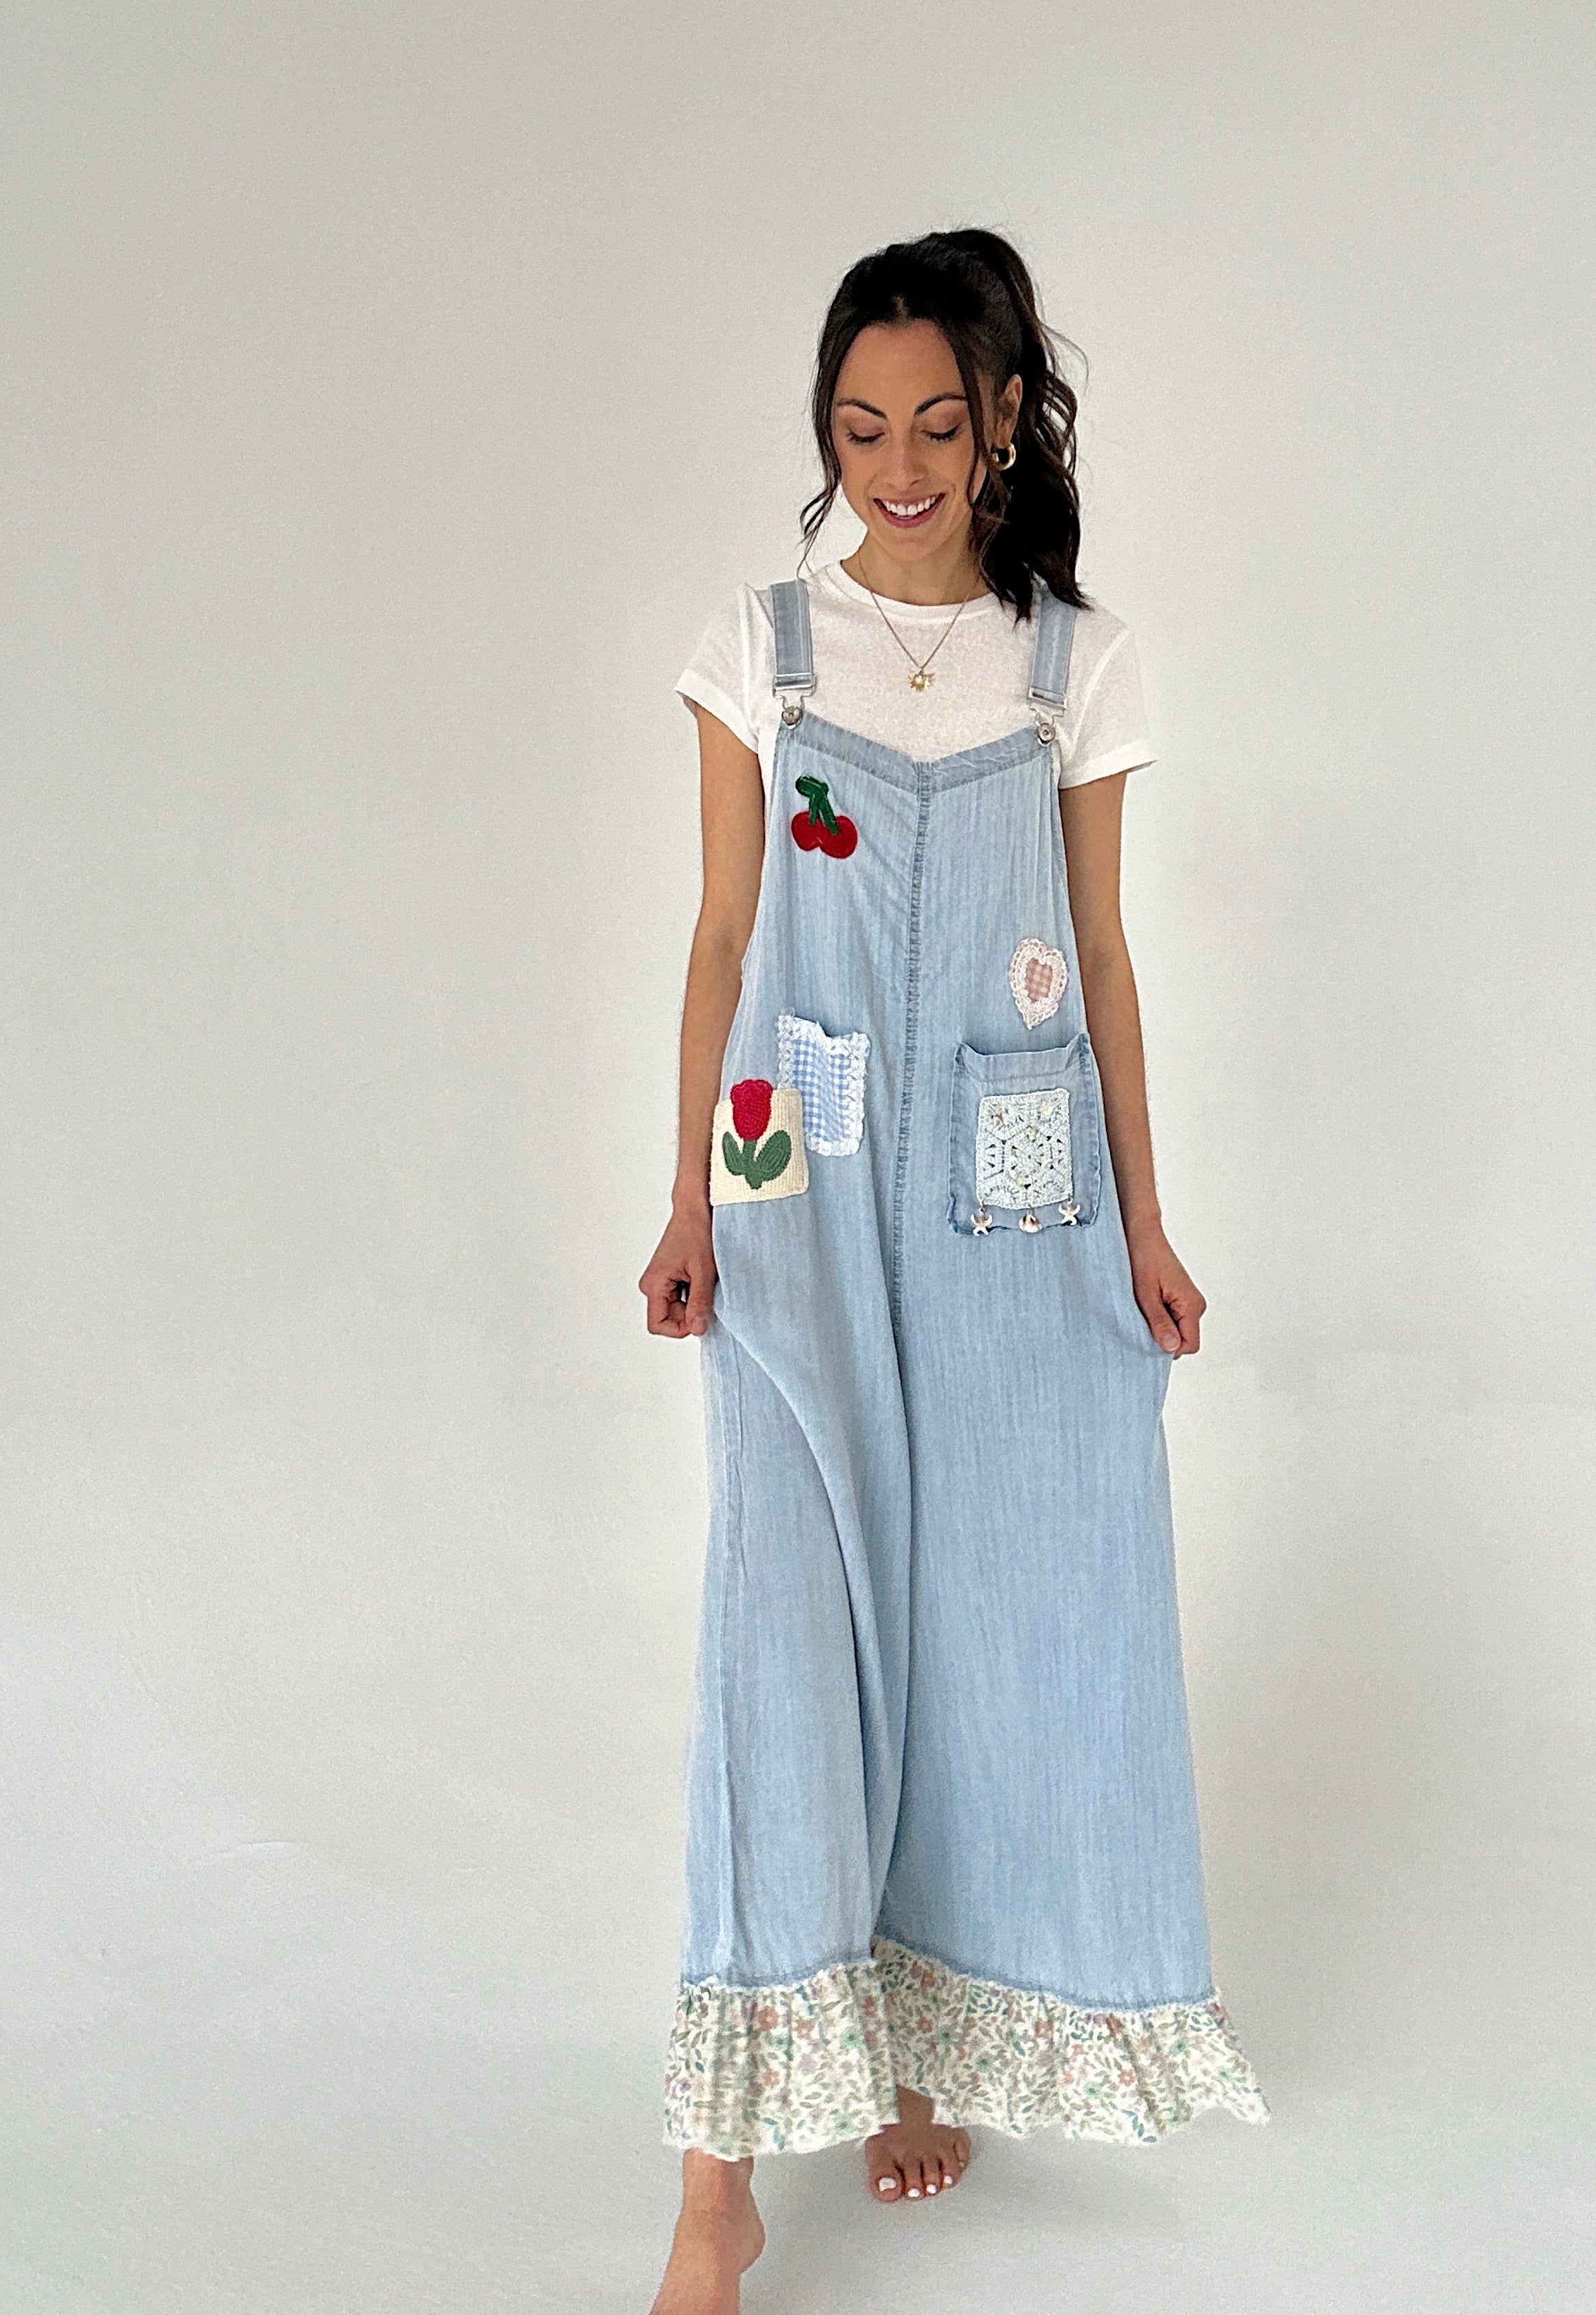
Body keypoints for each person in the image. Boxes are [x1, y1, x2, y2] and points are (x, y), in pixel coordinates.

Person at [638, 227, 1268, 2315]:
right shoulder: (764, 651)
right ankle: (717, 2177)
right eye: (856, 426)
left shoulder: (1076, 661)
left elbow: (1097, 961)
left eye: (934, 421)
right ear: (825, 438)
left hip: (1020, 1199)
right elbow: (726, 947)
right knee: (782, 1626)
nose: (896, 463)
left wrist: (1149, 1227)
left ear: (1003, 422)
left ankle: (923, 2044)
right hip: (790, 1185)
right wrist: (678, 1201)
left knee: (1001, 1615)